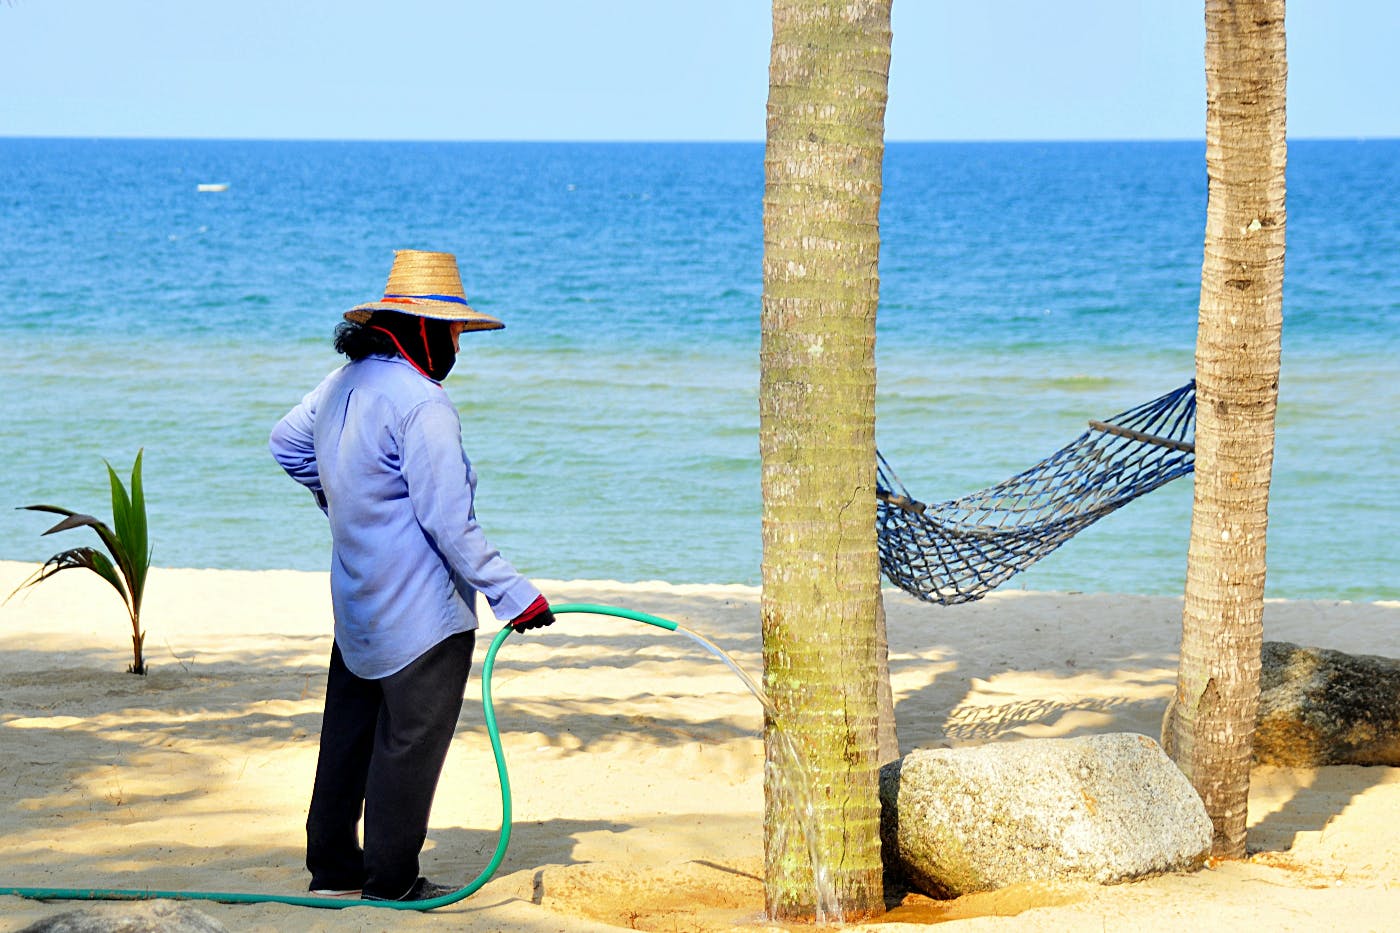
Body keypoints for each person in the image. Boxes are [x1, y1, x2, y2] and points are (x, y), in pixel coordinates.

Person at [269, 249, 554, 902]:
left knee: (346, 737)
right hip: (424, 618)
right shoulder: (424, 404)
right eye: (454, 331)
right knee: (407, 746)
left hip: (359, 602)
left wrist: (342, 496)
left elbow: (284, 441)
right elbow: (451, 524)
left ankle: (333, 868)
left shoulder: (341, 382)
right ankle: (391, 881)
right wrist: (518, 596)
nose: (459, 344)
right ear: (423, 328)